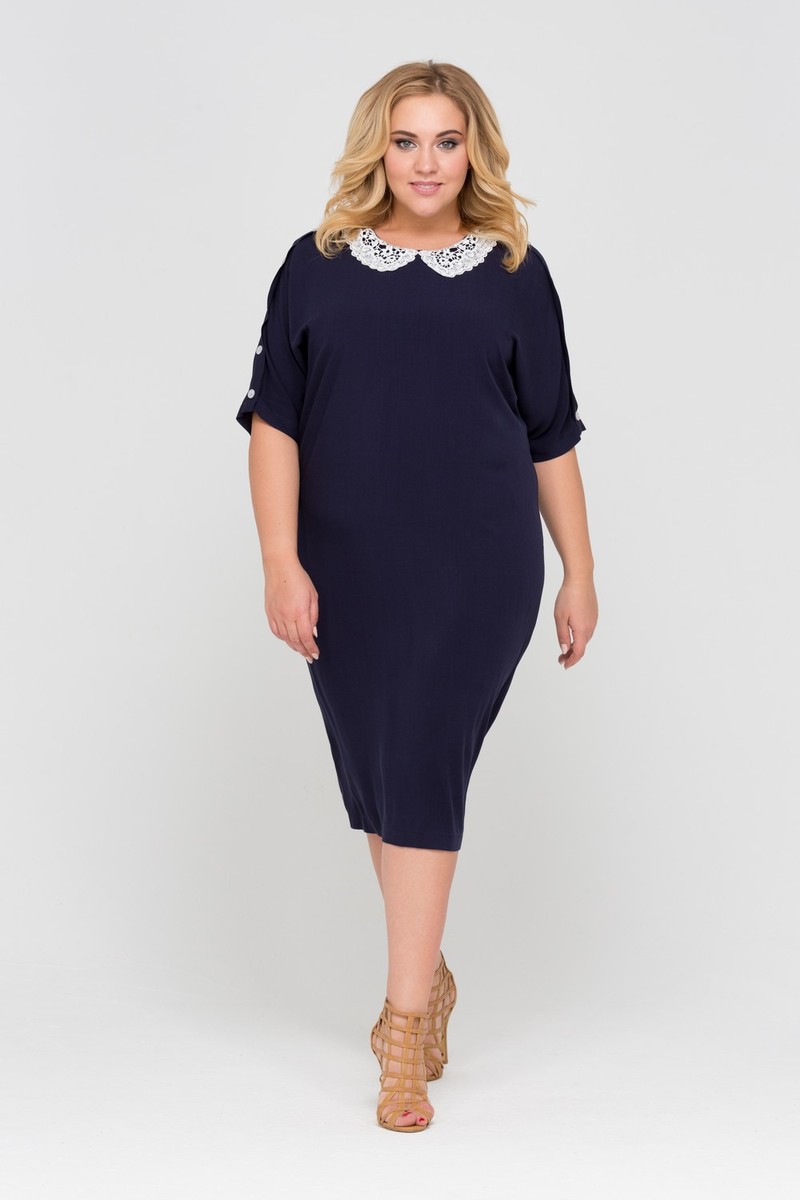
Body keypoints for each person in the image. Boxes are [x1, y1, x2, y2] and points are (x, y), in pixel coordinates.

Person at [235, 59, 598, 1133]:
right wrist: (278, 560)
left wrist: (579, 570)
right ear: (377, 149)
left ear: (474, 150)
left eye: (446, 140)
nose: (426, 163)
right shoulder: (314, 267)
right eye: (406, 141)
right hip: (345, 567)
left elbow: (551, 435)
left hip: (478, 566)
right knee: (383, 778)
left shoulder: (516, 274)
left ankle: (400, 1037)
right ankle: (427, 978)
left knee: (424, 766)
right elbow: (274, 423)